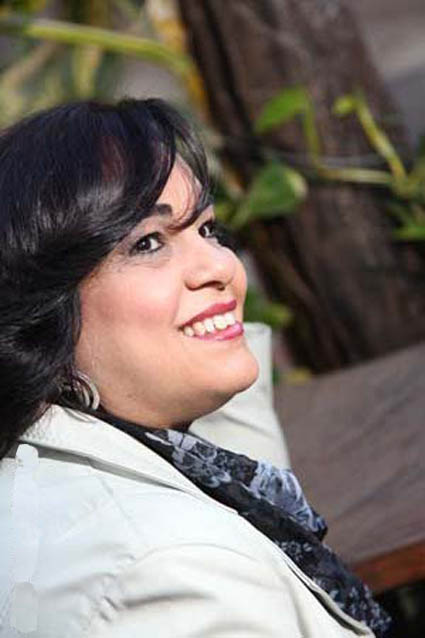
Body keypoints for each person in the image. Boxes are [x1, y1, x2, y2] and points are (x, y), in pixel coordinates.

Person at [0, 98, 390, 637]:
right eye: (148, 243)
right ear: (45, 309)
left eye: (206, 228)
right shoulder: (169, 576)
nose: (220, 265)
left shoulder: (73, 467)